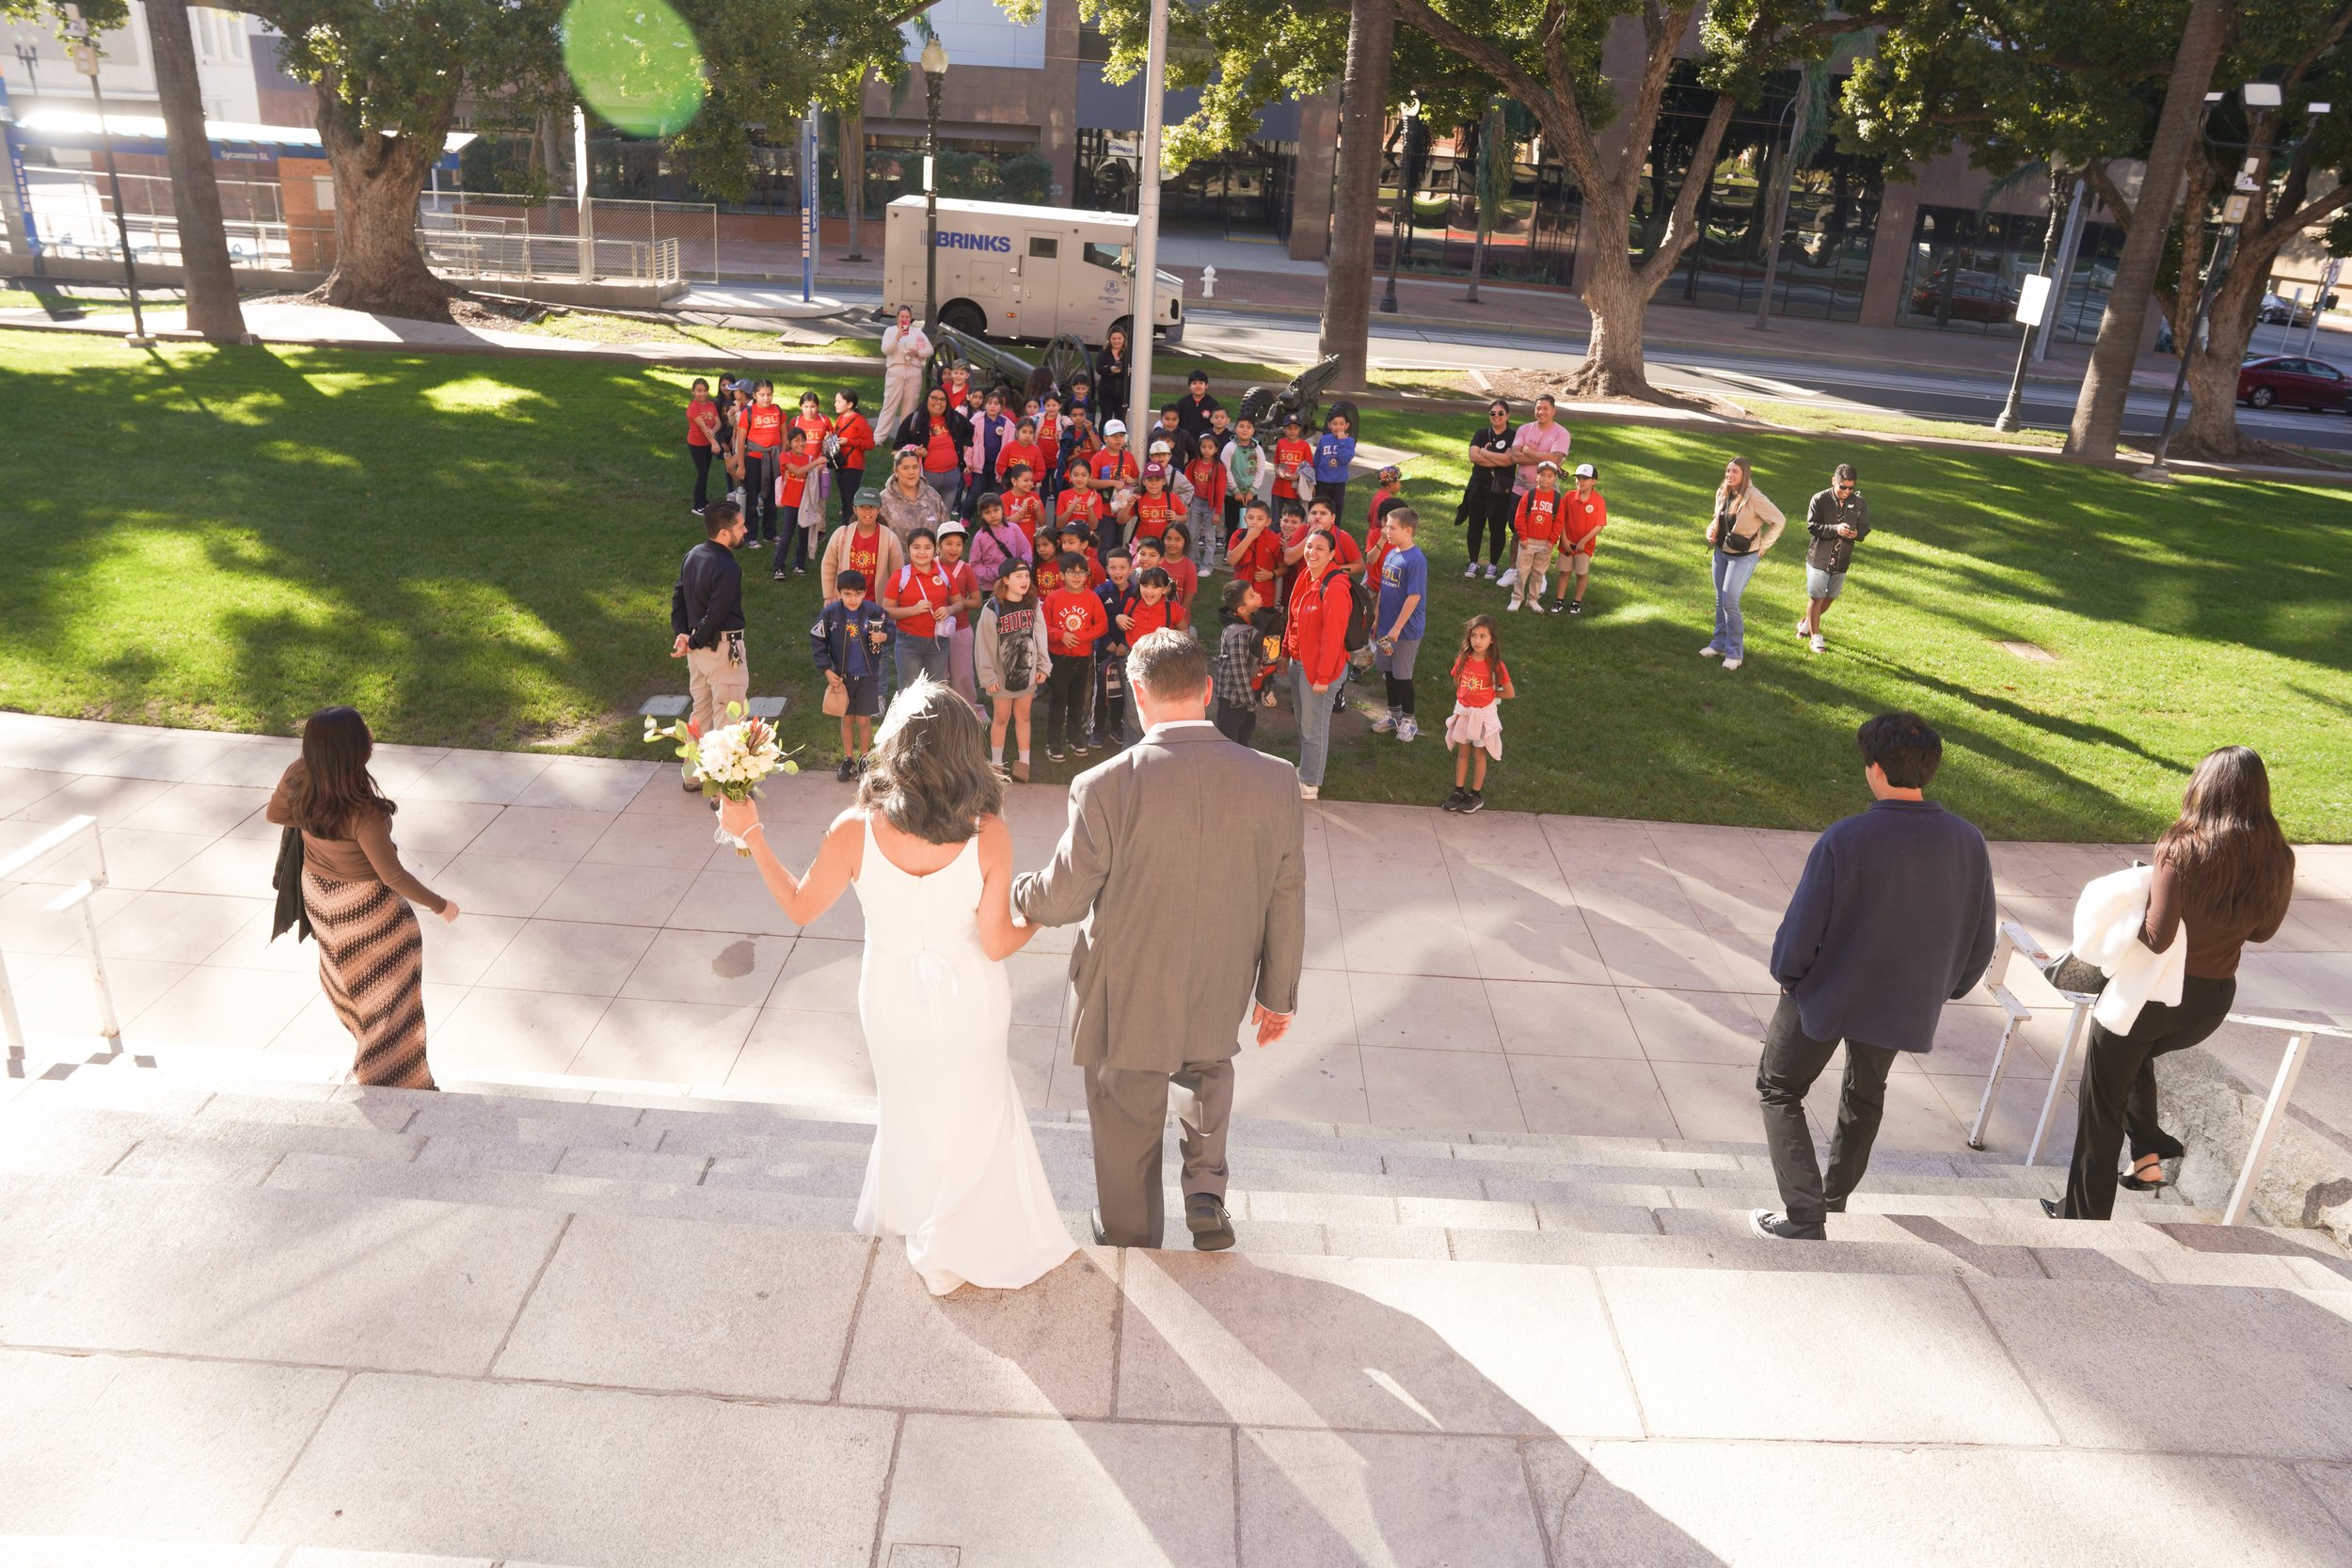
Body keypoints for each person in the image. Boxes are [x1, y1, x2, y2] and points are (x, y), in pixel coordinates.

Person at [720, 681, 1072, 1295]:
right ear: (965, 750)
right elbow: (995, 943)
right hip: (972, 994)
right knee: (978, 1108)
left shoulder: (854, 829)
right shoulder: (989, 833)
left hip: (889, 995)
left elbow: (802, 906)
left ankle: (918, 1218)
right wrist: (1037, 916)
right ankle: (967, 1236)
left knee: (907, 1105)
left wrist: (752, 832)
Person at [1014, 630, 1306, 1251]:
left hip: (1129, 982)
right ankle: (1205, 1187)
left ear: (1137, 696)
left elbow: (1063, 898)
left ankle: (1130, 1229)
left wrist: (1018, 893)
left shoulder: (1104, 784)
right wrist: (1276, 995)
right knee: (1208, 1062)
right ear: (1206, 690)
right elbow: (1287, 892)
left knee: (1126, 1098)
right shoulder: (1276, 779)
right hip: (1223, 969)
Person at [1751, 712, 1997, 1242]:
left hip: (1822, 994)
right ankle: (1833, 1197)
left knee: (1778, 1088)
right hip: (1901, 999)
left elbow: (1802, 928)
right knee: (1866, 1091)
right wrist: (1948, 986)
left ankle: (1804, 1213)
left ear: (1875, 770)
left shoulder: (1846, 838)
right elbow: (1982, 935)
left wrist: (1788, 977)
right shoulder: (1968, 841)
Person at [2052, 746, 2296, 1222]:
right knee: (2131, 1062)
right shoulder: (2278, 857)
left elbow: (2158, 939)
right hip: (2208, 1006)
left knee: (2101, 1102)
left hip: (2148, 996)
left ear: (2203, 788)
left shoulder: (2182, 848)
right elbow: (2264, 931)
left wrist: (2127, 912)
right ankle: (2148, 1150)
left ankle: (2083, 1217)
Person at [266, 705, 458, 1089]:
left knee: (355, 989)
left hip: (320, 897)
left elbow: (276, 815)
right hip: (366, 908)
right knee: (390, 999)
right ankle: (395, 1081)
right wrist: (441, 905)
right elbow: (392, 875)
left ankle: (377, 1068)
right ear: (356, 749)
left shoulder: (299, 776)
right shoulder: (364, 815)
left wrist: (316, 824)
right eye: (364, 732)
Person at [671, 500, 749, 790]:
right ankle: (725, 788)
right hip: (722, 650)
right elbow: (717, 613)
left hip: (698, 652)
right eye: (740, 525)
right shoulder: (728, 567)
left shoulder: (692, 556)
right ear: (724, 533)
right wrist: (694, 638)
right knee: (729, 717)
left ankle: (692, 776)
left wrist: (684, 635)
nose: (745, 529)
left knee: (701, 711)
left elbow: (678, 597)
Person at [1285, 529, 1353, 801]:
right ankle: (1306, 769)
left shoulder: (1335, 588)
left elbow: (1333, 637)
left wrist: (1323, 676)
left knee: (1314, 727)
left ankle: (1310, 783)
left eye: (1320, 548)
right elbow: (1293, 618)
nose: (1312, 552)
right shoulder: (1306, 575)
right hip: (1299, 661)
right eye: (1309, 546)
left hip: (1320, 671)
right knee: (1304, 723)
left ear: (1333, 554)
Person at [1703, 455, 1786, 672]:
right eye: (1728, 470)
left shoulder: (1755, 497)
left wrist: (1764, 546)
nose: (1729, 474)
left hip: (1744, 556)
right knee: (1720, 599)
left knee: (1730, 601)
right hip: (1721, 552)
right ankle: (1718, 644)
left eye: (1734, 471)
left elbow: (1779, 520)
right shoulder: (1723, 492)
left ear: (1744, 474)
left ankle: (1734, 653)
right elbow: (1717, 518)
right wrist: (1711, 531)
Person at [811, 568, 894, 780]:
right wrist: (827, 670)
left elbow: (892, 630)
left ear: (865, 593)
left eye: (858, 594)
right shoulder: (831, 614)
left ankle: (864, 759)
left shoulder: (875, 611)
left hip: (867, 675)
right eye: (847, 594)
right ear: (839, 593)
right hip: (842, 677)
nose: (853, 598)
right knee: (847, 719)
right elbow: (817, 641)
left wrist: (884, 636)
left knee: (864, 720)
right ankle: (848, 759)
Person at [977, 560, 1051, 781]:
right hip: (1001, 674)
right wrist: (988, 676)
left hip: (1026, 673)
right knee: (1001, 717)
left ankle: (1024, 762)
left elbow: (1040, 635)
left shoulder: (1033, 604)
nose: (1024, 581)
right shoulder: (993, 608)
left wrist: (1043, 666)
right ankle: (997, 763)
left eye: (1027, 576)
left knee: (1024, 715)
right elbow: (984, 645)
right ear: (1006, 580)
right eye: (1018, 576)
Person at [1497, 394, 1573, 594]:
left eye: (1546, 408)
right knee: (1517, 530)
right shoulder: (1524, 429)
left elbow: (1555, 461)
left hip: (1546, 492)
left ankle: (1540, 574)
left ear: (1554, 411)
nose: (1541, 412)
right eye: (1538, 408)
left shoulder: (1561, 433)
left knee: (1544, 532)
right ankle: (1513, 570)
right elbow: (1514, 455)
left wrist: (1528, 452)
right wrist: (1542, 458)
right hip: (1520, 490)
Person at [1369, 506, 1428, 742]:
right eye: (1386, 525)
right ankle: (1393, 715)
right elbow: (1384, 588)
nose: (1386, 530)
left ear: (1408, 530)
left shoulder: (1416, 560)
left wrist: (1396, 628)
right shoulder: (1392, 553)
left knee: (1403, 675)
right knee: (1390, 672)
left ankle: (1409, 721)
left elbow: (1413, 597)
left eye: (1392, 527)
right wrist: (1377, 617)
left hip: (1404, 632)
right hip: (1386, 628)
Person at [1441, 616, 1513, 813]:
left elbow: (1509, 692)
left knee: (1479, 755)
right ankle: (1458, 791)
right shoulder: (1464, 659)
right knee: (1463, 753)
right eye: (1474, 635)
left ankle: (1475, 794)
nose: (1477, 640)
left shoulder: (1495, 665)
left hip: (1482, 717)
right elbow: (1457, 679)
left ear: (1492, 640)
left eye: (1483, 636)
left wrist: (1490, 695)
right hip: (1465, 714)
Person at [1042, 552, 1108, 763]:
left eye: (1082, 573)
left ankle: (1074, 737)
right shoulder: (1053, 598)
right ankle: (1052, 742)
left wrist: (1081, 637)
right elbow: (1043, 626)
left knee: (1078, 700)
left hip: (1083, 657)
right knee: (1058, 700)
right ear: (1062, 575)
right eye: (1072, 572)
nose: (1077, 576)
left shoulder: (1092, 598)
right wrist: (1060, 635)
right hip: (1059, 657)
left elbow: (1102, 625)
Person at [1800, 462, 1869, 654]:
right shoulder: (1819, 499)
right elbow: (1812, 526)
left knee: (1830, 598)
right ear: (1833, 481)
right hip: (1819, 559)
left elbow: (1865, 527)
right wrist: (1835, 529)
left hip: (1842, 560)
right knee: (1816, 597)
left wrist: (1857, 533)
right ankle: (1815, 638)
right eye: (1843, 487)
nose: (1847, 491)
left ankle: (1806, 623)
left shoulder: (1859, 503)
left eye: (1851, 487)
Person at [882, 527, 956, 688]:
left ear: (935, 549)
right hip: (908, 642)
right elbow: (887, 610)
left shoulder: (944, 574)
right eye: (916, 547)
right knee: (910, 691)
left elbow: (959, 603)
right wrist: (913, 610)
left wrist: (949, 610)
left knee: (935, 691)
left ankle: (933, 714)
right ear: (908, 550)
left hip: (938, 641)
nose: (922, 552)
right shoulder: (899, 577)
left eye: (927, 547)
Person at [1458, 400, 1518, 580]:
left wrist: (1484, 453)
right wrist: (1498, 458)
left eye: (1500, 413)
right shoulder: (1481, 433)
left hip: (1501, 489)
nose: (1496, 416)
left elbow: (1510, 460)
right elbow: (1472, 456)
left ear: (1507, 415)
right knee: (1475, 524)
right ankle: (1474, 562)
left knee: (1497, 527)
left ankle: (1492, 565)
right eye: (1493, 413)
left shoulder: (1514, 436)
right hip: (1479, 486)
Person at [820, 488, 907, 603]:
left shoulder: (890, 538)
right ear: (855, 509)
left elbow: (897, 574)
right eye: (862, 507)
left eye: (871, 507)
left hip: (876, 606)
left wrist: (893, 602)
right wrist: (828, 596)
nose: (867, 512)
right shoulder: (842, 534)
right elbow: (829, 565)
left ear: (879, 509)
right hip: (845, 605)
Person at [895, 387, 971, 515]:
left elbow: (969, 429)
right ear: (926, 400)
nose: (938, 402)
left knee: (944, 517)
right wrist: (914, 450)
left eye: (942, 399)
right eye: (934, 398)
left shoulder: (953, 417)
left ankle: (940, 535)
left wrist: (965, 447)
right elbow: (899, 445)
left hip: (951, 477)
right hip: (926, 477)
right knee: (924, 515)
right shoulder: (914, 419)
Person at [1092, 546, 1140, 748]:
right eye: (1113, 567)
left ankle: (1116, 727)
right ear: (1106, 569)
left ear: (1131, 569)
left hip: (1126, 650)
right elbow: (1094, 619)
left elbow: (1138, 621)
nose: (1118, 571)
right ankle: (1096, 730)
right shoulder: (1100, 592)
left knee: (1121, 690)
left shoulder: (1137, 592)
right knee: (1101, 691)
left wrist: (1124, 643)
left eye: (1122, 567)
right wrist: (1106, 642)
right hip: (1104, 649)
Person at [1212, 578, 1267, 745]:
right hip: (1234, 700)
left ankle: (1241, 766)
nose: (1257, 595)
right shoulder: (1238, 634)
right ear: (1242, 609)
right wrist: (1250, 702)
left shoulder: (1246, 622)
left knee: (1244, 736)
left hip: (1242, 698)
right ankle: (1225, 769)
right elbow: (1239, 671)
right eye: (1252, 595)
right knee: (1228, 742)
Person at [1506, 461, 1565, 613]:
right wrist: (1523, 537)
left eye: (1550, 476)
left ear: (1554, 479)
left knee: (1539, 573)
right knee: (1522, 571)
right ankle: (1517, 598)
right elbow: (1519, 518)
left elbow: (1558, 522)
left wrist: (1552, 540)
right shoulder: (1529, 495)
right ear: (1536, 477)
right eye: (1542, 475)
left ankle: (1533, 599)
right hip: (1528, 541)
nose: (1545, 478)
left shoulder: (1557, 499)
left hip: (1545, 543)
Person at [1550, 462, 1609, 614]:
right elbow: (1561, 518)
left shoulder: (1598, 501)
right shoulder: (1569, 497)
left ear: (1593, 482)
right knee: (1564, 572)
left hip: (1584, 546)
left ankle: (1577, 602)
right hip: (1567, 543)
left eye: (1584, 478)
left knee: (1582, 573)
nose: (1580, 481)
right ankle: (1559, 600)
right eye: (1578, 478)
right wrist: (1564, 538)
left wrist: (1584, 541)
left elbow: (1599, 524)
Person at [934, 522, 982, 705]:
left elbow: (977, 601)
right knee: (937, 675)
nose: (954, 548)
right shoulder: (930, 566)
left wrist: (956, 605)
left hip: (960, 629)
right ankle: (940, 713)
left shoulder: (966, 569)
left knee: (962, 675)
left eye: (959, 544)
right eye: (949, 543)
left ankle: (969, 711)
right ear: (939, 545)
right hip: (933, 630)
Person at [739, 380, 787, 549]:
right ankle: (750, 535)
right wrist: (741, 465)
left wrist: (783, 458)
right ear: (754, 395)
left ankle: (770, 532)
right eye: (761, 395)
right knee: (752, 498)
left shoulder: (778, 411)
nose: (766, 398)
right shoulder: (749, 413)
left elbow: (784, 437)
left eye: (769, 394)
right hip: (754, 458)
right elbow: (740, 440)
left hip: (774, 459)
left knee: (772, 497)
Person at [771, 425, 822, 580]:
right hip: (791, 502)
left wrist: (819, 466)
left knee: (803, 535)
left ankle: (799, 565)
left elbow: (813, 477)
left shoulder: (809, 458)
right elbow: (797, 471)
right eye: (796, 440)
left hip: (805, 504)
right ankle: (778, 567)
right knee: (787, 534)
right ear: (789, 443)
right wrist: (816, 462)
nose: (800, 443)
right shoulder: (785, 457)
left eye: (803, 440)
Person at [876, 307, 932, 444]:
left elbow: (930, 349)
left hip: (913, 371)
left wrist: (917, 353)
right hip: (896, 371)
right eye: (902, 316)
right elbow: (886, 350)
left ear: (911, 318)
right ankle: (879, 438)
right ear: (897, 317)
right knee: (890, 404)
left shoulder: (917, 333)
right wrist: (897, 337)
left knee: (909, 406)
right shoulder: (890, 331)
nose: (904, 319)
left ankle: (904, 439)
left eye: (907, 317)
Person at [879, 446, 953, 545]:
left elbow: (946, 529)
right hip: (897, 559)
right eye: (905, 468)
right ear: (896, 471)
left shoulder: (932, 495)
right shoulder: (883, 500)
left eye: (915, 467)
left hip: (930, 559)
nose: (911, 472)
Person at [967, 489, 1032, 596]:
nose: (993, 515)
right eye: (987, 512)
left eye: (996, 510)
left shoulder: (1014, 529)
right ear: (982, 515)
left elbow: (1026, 551)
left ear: (1002, 510)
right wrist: (996, 573)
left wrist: (1019, 570)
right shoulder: (980, 537)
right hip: (992, 587)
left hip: (1016, 583)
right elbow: (974, 565)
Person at [1221, 415, 1269, 557]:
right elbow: (1226, 470)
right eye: (1241, 426)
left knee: (1250, 524)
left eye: (1249, 427)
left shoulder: (1257, 449)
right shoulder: (1230, 448)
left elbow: (1260, 471)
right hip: (1232, 495)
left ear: (1253, 431)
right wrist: (1235, 490)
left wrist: (1252, 491)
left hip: (1250, 494)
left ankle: (1248, 551)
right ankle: (1229, 552)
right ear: (1235, 429)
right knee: (1232, 524)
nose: (1245, 430)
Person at [830, 389, 877, 533]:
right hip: (840, 464)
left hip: (853, 465)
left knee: (851, 499)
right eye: (835, 401)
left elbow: (870, 443)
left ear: (850, 404)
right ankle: (845, 526)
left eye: (839, 401)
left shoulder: (859, 421)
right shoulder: (840, 418)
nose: (835, 404)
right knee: (844, 499)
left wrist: (849, 441)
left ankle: (851, 528)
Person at [1227, 498, 1285, 608]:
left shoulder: (1273, 539)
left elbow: (1284, 567)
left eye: (1260, 519)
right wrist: (1248, 539)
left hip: (1264, 592)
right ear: (1245, 519)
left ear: (1268, 522)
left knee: (1261, 622)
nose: (1254, 522)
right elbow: (1231, 560)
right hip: (1241, 589)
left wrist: (1271, 574)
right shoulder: (1238, 535)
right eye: (1250, 518)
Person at [1184, 433, 1226, 572]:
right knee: (1193, 534)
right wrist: (1187, 501)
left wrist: (1218, 512)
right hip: (1196, 502)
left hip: (1211, 505)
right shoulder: (1193, 464)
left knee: (1209, 536)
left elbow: (1220, 490)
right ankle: (1193, 563)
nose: (1206, 450)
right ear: (1199, 448)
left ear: (1216, 449)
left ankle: (1207, 566)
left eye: (1210, 447)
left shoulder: (1219, 467)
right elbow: (1187, 483)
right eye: (1204, 447)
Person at [1310, 409, 1358, 524]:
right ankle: (1318, 529)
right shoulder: (1324, 439)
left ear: (1347, 426)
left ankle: (1334, 533)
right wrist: (1313, 482)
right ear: (1329, 425)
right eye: (1335, 423)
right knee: (1321, 507)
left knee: (1336, 509)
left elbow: (1345, 459)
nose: (1338, 427)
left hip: (1338, 483)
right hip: (1322, 481)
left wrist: (1341, 442)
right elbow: (1316, 461)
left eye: (1341, 424)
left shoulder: (1349, 441)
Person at [686, 377, 721, 515]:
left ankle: (704, 501)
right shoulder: (693, 408)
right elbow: (703, 427)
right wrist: (714, 442)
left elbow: (718, 423)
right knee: (702, 473)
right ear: (693, 392)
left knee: (705, 472)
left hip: (707, 443)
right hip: (697, 444)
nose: (702, 394)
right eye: (699, 391)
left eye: (705, 390)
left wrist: (712, 433)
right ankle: (698, 505)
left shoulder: (711, 405)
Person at [1147, 525, 1199, 615]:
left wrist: (1179, 616)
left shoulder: (1189, 567)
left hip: (1177, 616)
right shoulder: (1155, 561)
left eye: (1177, 539)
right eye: (1168, 538)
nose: (1172, 543)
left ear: (1185, 541)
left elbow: (1188, 598)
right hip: (1152, 613)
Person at [1174, 369, 1221, 445]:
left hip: (1205, 444)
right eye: (1194, 383)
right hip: (1184, 443)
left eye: (1201, 383)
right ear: (1189, 386)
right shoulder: (1182, 403)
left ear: (1206, 386)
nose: (1198, 386)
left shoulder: (1213, 404)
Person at [1094, 325, 1133, 420]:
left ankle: (1121, 436)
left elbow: (1131, 371)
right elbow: (1099, 369)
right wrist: (1110, 369)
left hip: (1123, 393)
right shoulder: (1104, 352)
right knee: (1105, 418)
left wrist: (1112, 372)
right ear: (1109, 339)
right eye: (1114, 339)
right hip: (1106, 393)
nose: (1117, 341)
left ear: (1124, 339)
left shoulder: (1129, 353)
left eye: (1119, 338)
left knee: (1121, 419)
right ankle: (1103, 436)